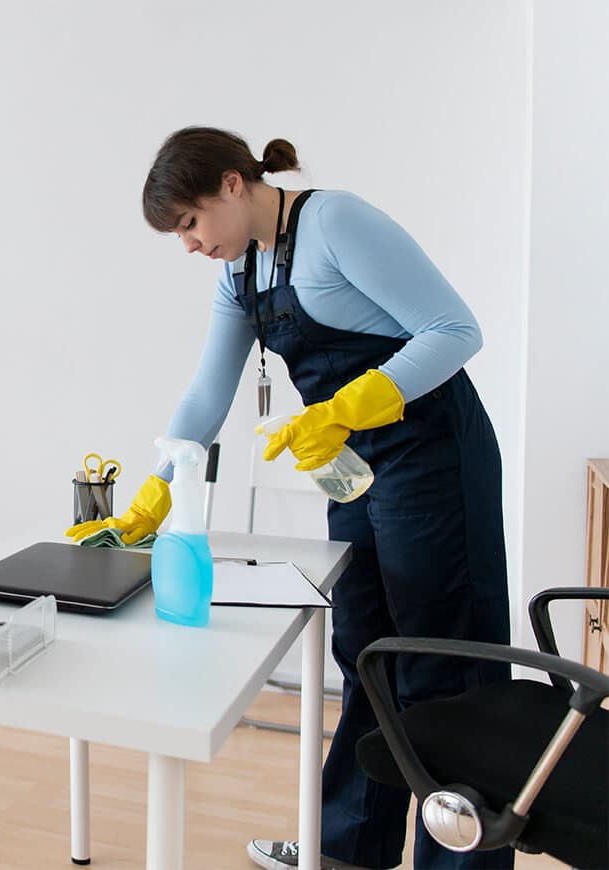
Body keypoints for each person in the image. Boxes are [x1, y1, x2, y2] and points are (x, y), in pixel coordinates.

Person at [68, 127, 512, 870]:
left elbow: (454, 330)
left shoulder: (334, 222)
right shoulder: (239, 274)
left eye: (188, 222)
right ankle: (346, 850)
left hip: (433, 459)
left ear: (232, 186)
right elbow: (207, 394)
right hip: (355, 471)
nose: (187, 244)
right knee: (365, 654)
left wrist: (345, 405)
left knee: (442, 664)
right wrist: (158, 487)